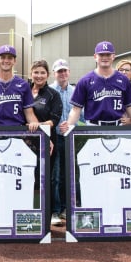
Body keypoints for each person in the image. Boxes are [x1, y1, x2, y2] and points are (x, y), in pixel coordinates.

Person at [60, 41, 131, 133]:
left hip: (118, 127)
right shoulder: (85, 80)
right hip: (93, 128)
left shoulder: (123, 80)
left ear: (113, 56)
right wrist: (69, 124)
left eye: (108, 55)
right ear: (95, 57)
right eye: (101, 55)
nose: (105, 57)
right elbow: (76, 109)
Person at [29, 59, 62, 227]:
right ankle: (30, 212)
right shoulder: (24, 91)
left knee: (47, 179)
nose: (39, 75)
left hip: (47, 144)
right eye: (36, 72)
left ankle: (50, 213)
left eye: (42, 72)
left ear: (48, 75)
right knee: (28, 179)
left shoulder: (53, 95)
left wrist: (37, 125)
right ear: (31, 74)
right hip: (26, 143)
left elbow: (54, 120)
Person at [49, 58, 74, 225]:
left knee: (70, 175)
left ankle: (66, 208)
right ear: (54, 73)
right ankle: (55, 211)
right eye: (59, 71)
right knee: (55, 176)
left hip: (71, 137)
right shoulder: (50, 91)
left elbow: (84, 117)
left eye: (65, 70)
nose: (62, 74)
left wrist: (73, 125)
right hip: (54, 137)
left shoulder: (76, 91)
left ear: (69, 72)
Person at [115, 59, 131, 125]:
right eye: (121, 70)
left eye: (127, 70)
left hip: (130, 132)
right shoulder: (110, 92)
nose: (124, 72)